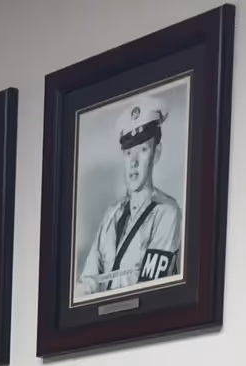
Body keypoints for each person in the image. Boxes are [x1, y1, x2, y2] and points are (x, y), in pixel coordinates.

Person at [77, 98, 182, 295]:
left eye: (143, 150)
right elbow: (88, 281)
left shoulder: (167, 213)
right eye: (128, 153)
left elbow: (151, 286)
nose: (133, 162)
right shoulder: (111, 215)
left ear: (156, 153)